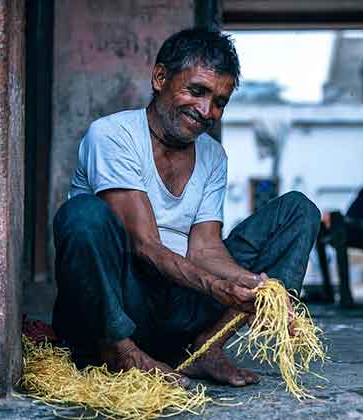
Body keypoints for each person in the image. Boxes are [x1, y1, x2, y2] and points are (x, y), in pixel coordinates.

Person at [51, 28, 320, 388]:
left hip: (177, 309)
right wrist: (215, 287)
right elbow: (144, 247)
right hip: (121, 304)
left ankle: (206, 347)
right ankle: (119, 351)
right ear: (160, 77)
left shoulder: (212, 155)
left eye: (220, 101)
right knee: (81, 215)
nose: (207, 111)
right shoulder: (113, 135)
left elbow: (206, 248)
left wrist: (250, 283)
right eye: (197, 91)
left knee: (298, 211)